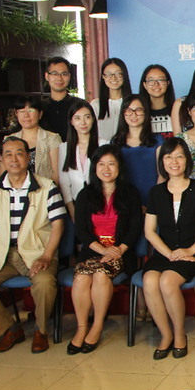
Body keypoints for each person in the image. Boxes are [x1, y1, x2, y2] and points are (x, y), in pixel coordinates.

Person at [0, 136, 67, 354]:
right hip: (4, 256)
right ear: (2, 160)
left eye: (19, 153)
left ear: (28, 157)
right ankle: (9, 329)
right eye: (8, 154)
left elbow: (58, 225)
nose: (14, 159)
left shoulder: (46, 186)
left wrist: (47, 255)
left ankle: (41, 331)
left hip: (37, 253)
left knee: (44, 282)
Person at [142, 137, 195, 360]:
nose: (174, 162)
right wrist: (168, 254)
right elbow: (149, 231)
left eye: (179, 156)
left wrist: (191, 250)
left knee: (167, 281)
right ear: (162, 163)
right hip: (165, 252)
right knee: (149, 280)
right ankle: (165, 334)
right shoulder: (156, 192)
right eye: (168, 157)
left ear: (187, 160)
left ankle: (179, 334)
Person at [67, 145, 142, 355]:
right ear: (94, 168)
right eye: (101, 164)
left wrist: (118, 249)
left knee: (101, 275)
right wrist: (101, 250)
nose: (106, 169)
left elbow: (135, 227)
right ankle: (82, 327)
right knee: (81, 278)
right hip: (93, 250)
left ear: (119, 167)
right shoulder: (85, 194)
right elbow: (81, 230)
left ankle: (97, 325)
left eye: (111, 164)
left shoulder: (130, 194)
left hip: (121, 252)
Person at [111, 95, 164, 205]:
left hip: (153, 200)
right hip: (125, 201)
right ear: (123, 114)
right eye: (129, 110)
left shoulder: (157, 140)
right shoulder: (116, 142)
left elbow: (162, 175)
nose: (133, 115)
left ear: (145, 112)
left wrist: (153, 202)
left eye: (138, 110)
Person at [5, 96, 61, 189]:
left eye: (30, 110)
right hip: (17, 192)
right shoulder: (8, 140)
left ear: (40, 114)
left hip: (45, 191)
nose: (26, 115)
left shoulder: (52, 139)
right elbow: (4, 172)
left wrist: (52, 193)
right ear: (16, 114)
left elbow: (56, 173)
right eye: (21, 111)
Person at [58, 99, 100, 221]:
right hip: (76, 203)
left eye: (87, 117)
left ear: (93, 119)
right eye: (77, 118)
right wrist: (72, 211)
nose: (83, 122)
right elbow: (64, 182)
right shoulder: (64, 148)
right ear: (71, 121)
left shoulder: (103, 144)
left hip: (99, 203)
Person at [91, 57, 132, 141]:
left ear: (124, 75)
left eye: (118, 73)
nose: (113, 78)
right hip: (102, 147)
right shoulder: (95, 105)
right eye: (109, 74)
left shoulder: (133, 103)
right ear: (103, 77)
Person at [41, 56, 74, 141]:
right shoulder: (40, 107)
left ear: (69, 76)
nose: (59, 78)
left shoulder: (79, 105)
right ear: (46, 76)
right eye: (55, 73)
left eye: (64, 74)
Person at [138, 64, 176, 139]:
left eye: (161, 80)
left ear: (168, 83)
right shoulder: (138, 113)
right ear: (145, 85)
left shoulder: (177, 110)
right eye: (151, 80)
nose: (156, 84)